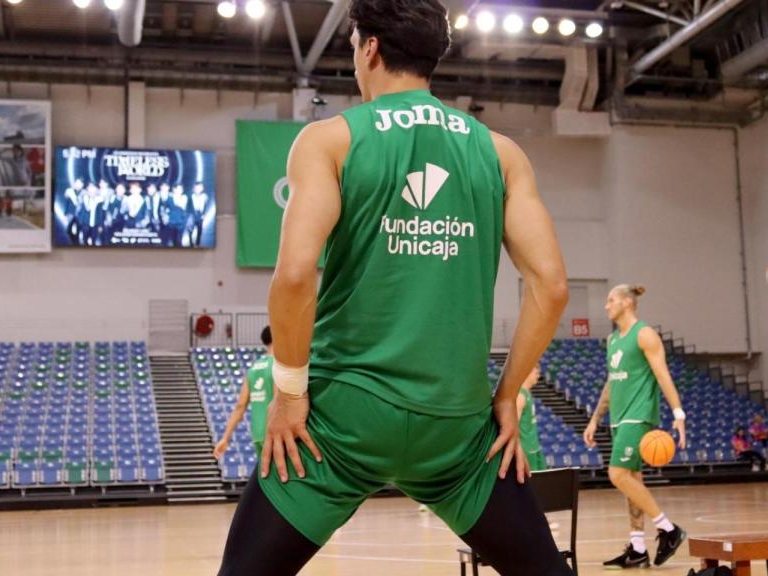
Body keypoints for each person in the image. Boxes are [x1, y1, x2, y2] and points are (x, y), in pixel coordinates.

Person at [217, 1, 571, 575]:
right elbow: (552, 286)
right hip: (454, 429)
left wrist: (287, 392)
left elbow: (295, 276)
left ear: (371, 48)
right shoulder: (502, 153)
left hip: (339, 425)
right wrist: (505, 396)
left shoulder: (329, 141)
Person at [584, 285, 688, 569]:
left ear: (627, 303)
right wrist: (595, 418)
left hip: (639, 416)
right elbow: (611, 383)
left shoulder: (644, 334)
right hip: (618, 417)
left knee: (616, 474)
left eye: (611, 300)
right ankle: (638, 547)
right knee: (632, 482)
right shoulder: (612, 340)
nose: (606, 306)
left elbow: (663, 375)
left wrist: (679, 413)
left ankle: (668, 529)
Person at [214, 327, 275, 462]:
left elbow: (240, 406)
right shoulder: (278, 365)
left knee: (265, 477)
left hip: (258, 434)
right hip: (276, 433)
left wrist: (225, 438)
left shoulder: (253, 369)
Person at [517, 365, 546, 472]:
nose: (538, 376)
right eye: (536, 372)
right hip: (526, 450)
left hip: (534, 447)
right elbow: (514, 426)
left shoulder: (527, 393)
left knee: (544, 481)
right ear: (527, 372)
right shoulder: (520, 396)